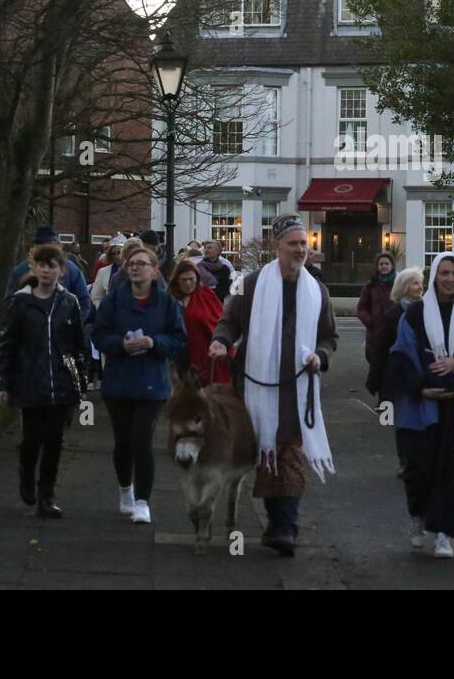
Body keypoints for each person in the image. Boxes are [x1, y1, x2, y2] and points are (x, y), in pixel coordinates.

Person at [208, 213, 337, 557]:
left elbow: (329, 337)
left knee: (290, 453)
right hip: (256, 385)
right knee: (267, 452)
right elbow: (228, 322)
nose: (300, 250)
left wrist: (320, 356)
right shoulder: (249, 285)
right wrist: (220, 341)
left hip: (297, 389)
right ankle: (277, 524)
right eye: (293, 243)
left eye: (303, 244)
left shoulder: (318, 291)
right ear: (276, 245)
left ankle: (285, 528)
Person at [390, 254, 454, 558]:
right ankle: (418, 515)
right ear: (435, 276)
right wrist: (421, 387)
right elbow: (400, 354)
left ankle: (444, 534)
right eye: (444, 273)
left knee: (452, 470)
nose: (450, 279)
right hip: (421, 406)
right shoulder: (415, 314)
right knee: (420, 467)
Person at [92, 242, 187, 524]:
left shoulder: (166, 302)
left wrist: (154, 342)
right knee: (123, 442)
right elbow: (98, 335)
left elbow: (179, 339)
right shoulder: (114, 301)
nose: (135, 268)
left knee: (142, 440)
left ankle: (143, 501)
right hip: (118, 381)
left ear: (154, 271)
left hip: (152, 382)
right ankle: (126, 491)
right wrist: (120, 344)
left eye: (141, 263)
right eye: (131, 264)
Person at [0, 242, 87, 519]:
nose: (46, 270)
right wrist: (1, 383)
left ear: (61, 270)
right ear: (34, 268)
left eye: (52, 266)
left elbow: (78, 345)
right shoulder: (21, 302)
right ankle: (26, 473)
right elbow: (8, 344)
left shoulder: (69, 302)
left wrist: (81, 381)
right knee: (32, 437)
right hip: (30, 380)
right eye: (42, 265)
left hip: (61, 382)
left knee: (54, 441)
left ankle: (47, 495)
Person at [366, 267, 424, 476]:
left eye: (421, 283)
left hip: (422, 374)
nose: (420, 287)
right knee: (403, 421)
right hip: (398, 376)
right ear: (404, 287)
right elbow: (381, 348)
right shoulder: (393, 315)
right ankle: (405, 461)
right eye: (415, 283)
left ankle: (419, 460)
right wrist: (375, 379)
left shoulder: (428, 312)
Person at [5, 225, 92, 319]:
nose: (46, 270)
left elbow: (84, 302)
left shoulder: (72, 270)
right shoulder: (20, 270)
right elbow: (9, 303)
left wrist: (71, 323)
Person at [168, 257, 231, 385]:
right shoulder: (169, 299)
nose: (188, 283)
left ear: (197, 279)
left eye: (191, 279)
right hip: (177, 356)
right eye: (184, 280)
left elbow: (219, 323)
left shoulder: (207, 295)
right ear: (177, 280)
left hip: (203, 355)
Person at [357, 251, 397, 376]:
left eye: (386, 263)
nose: (384, 266)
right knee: (377, 372)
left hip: (395, 334)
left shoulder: (398, 284)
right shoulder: (370, 286)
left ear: (392, 266)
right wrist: (370, 321)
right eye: (381, 264)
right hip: (375, 335)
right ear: (377, 266)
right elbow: (361, 308)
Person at [192, 239, 235, 304]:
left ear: (218, 251)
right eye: (205, 248)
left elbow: (225, 289)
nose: (206, 250)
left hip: (217, 304)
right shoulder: (197, 266)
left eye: (209, 248)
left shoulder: (224, 269)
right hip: (199, 303)